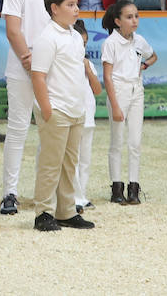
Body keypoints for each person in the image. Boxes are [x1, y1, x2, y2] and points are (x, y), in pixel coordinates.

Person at [0, 0, 64, 215]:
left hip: (52, 68)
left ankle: (47, 190)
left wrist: (44, 64)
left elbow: (64, 26)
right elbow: (12, 29)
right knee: (17, 129)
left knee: (51, 130)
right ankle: (9, 192)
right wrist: (29, 60)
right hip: (22, 66)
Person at [29, 0, 93, 231]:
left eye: (76, 4)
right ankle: (43, 212)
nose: (76, 9)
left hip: (75, 109)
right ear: (54, 8)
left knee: (69, 164)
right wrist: (46, 109)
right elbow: (38, 76)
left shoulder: (76, 37)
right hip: (56, 109)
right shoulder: (47, 38)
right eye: (70, 5)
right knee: (50, 163)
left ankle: (66, 210)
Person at [101, 0, 155, 207]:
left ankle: (134, 187)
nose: (134, 20)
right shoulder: (111, 43)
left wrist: (144, 65)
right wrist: (114, 104)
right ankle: (116, 187)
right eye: (129, 17)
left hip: (136, 90)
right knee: (117, 141)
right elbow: (107, 76)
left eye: (136, 16)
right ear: (117, 21)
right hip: (119, 90)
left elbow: (153, 56)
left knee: (135, 142)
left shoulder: (139, 40)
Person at [72, 21, 103, 214]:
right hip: (73, 116)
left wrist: (88, 70)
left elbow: (97, 90)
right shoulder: (64, 63)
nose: (82, 48)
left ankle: (82, 194)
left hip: (88, 119)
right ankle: (74, 197)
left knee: (85, 160)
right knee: (72, 160)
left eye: (85, 44)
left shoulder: (89, 64)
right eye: (79, 43)